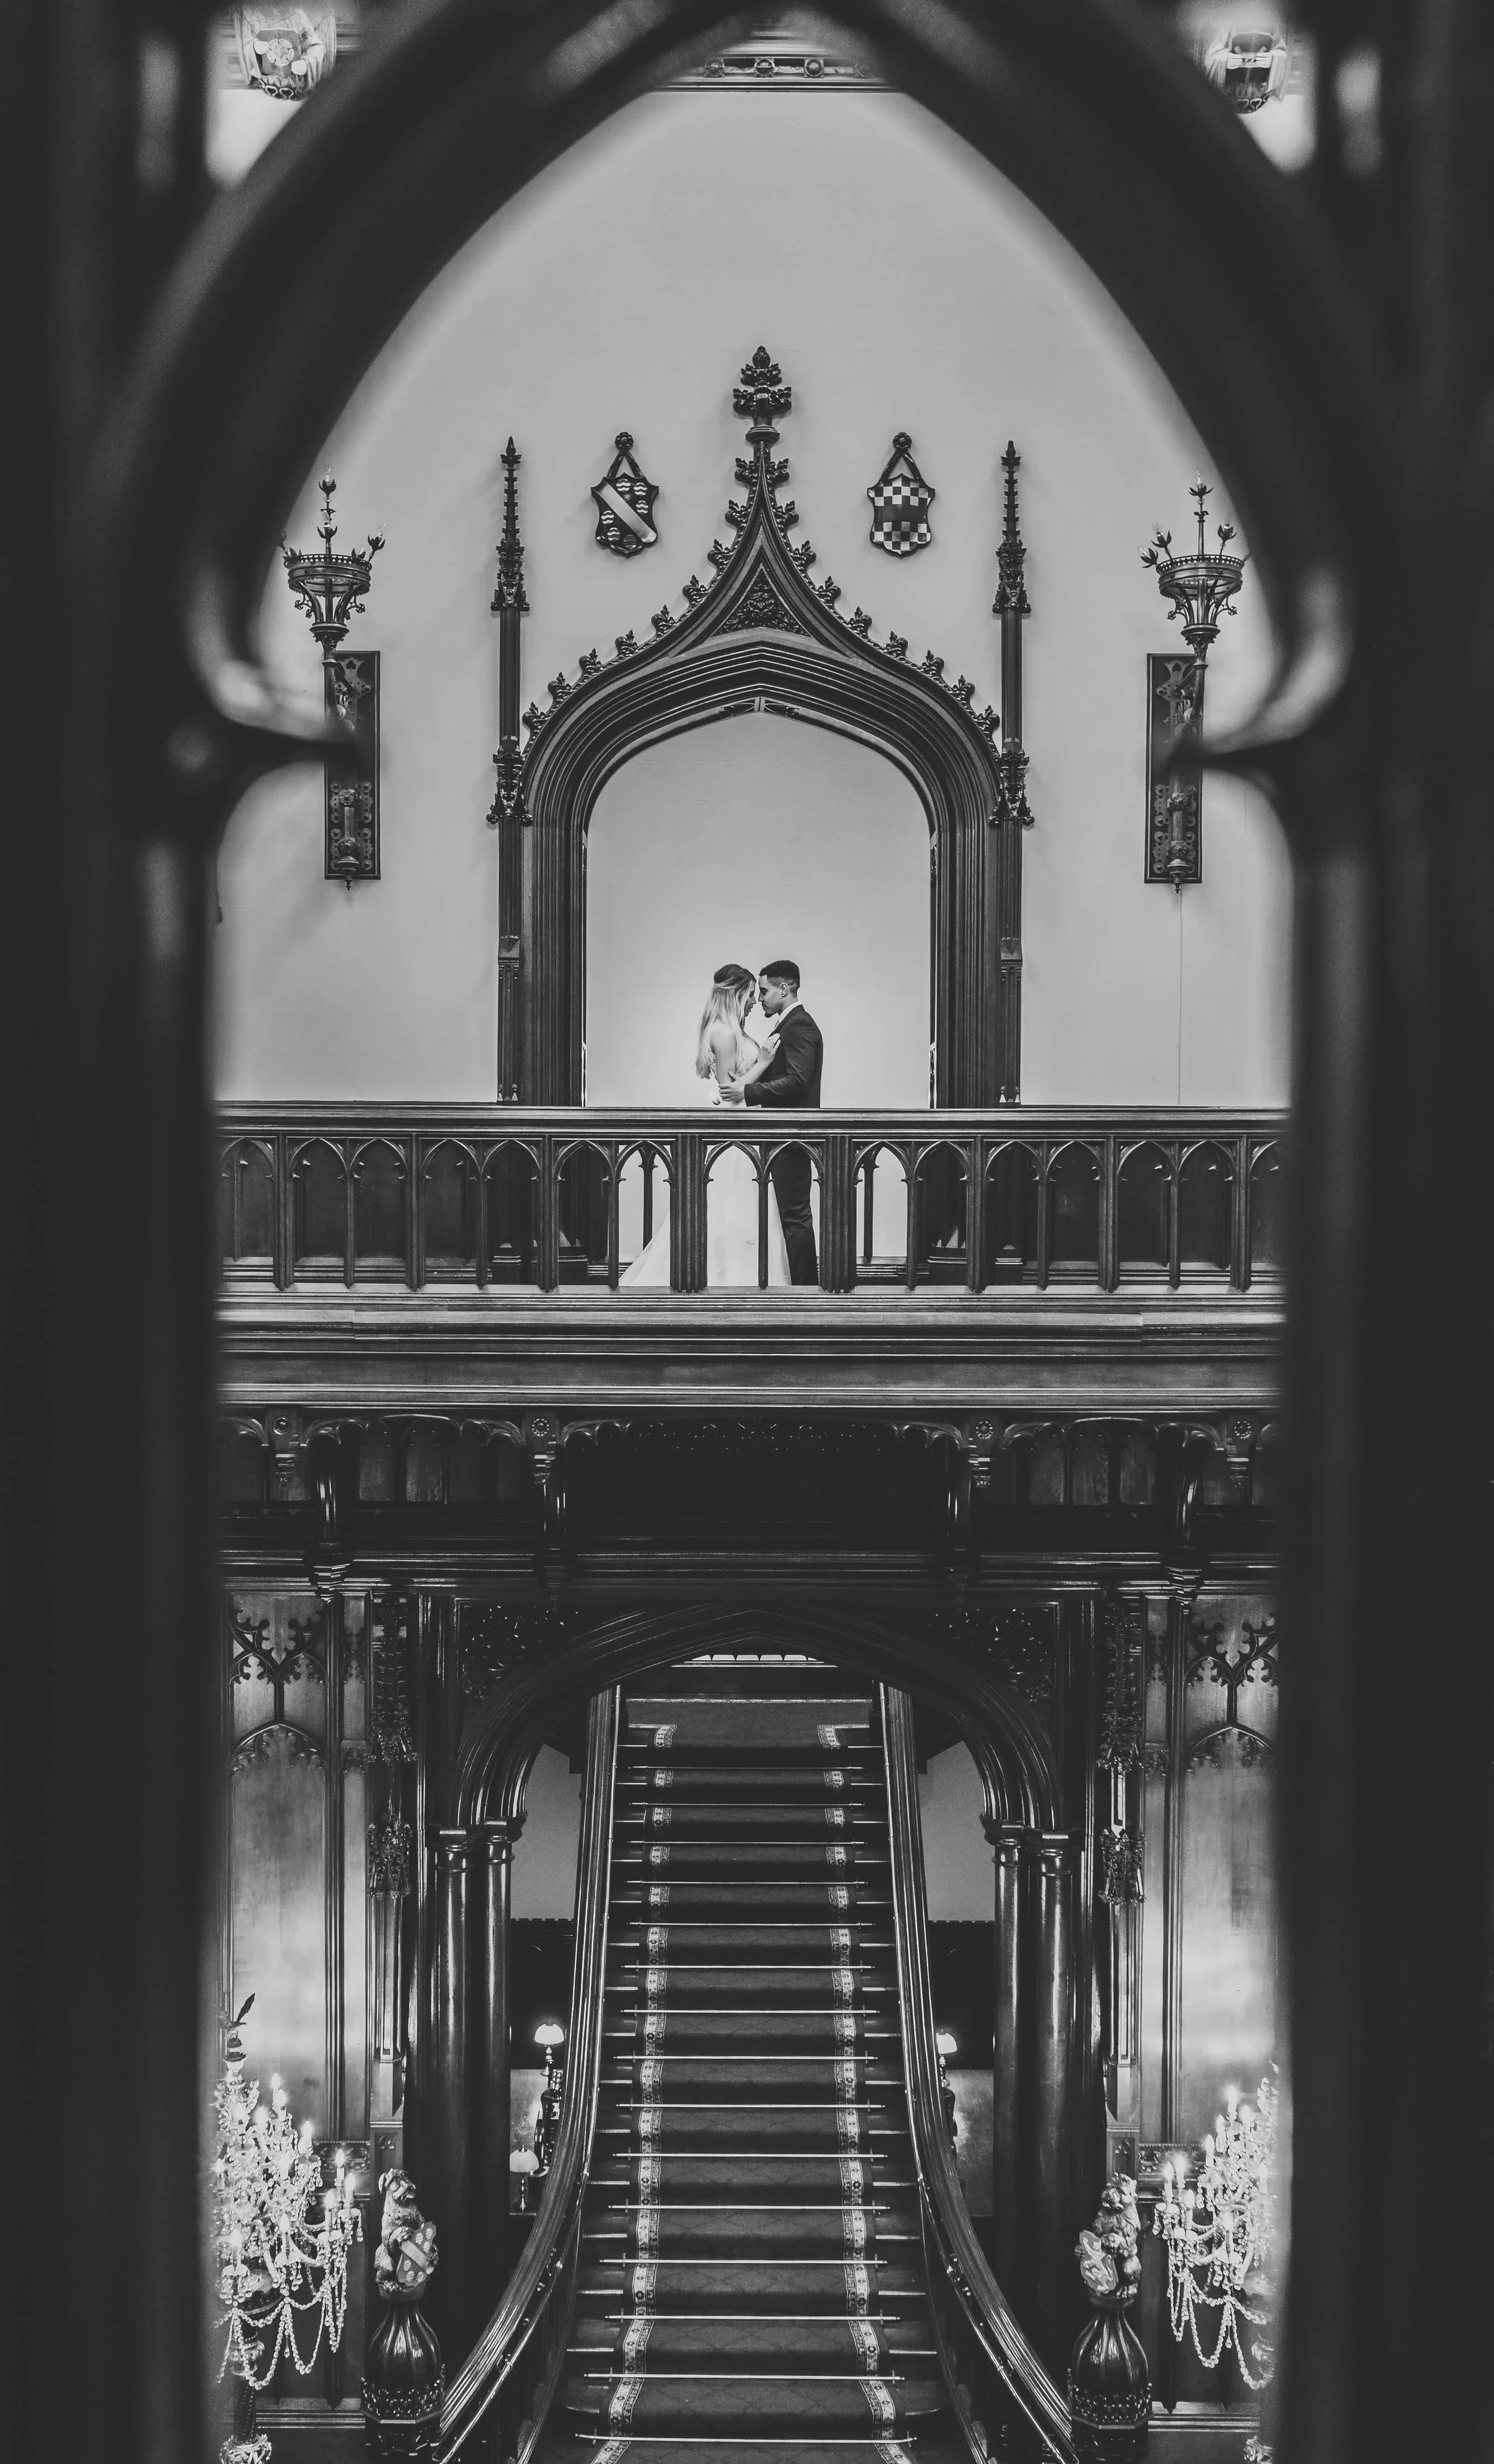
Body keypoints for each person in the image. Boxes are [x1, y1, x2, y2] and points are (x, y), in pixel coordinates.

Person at [620, 963, 791, 1288]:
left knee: (740, 1209)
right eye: (751, 995)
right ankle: (729, 1279)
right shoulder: (725, 1033)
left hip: (746, 1129)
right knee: (732, 1207)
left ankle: (740, 1276)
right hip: (734, 1132)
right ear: (737, 994)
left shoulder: (730, 1030)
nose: (755, 1002)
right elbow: (731, 1092)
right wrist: (766, 1062)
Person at [743, 959, 823, 1286]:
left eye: (764, 991)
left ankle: (805, 1291)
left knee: (795, 1216)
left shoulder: (799, 1025)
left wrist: (750, 1092)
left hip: (793, 1134)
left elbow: (797, 1081)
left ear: (784, 988)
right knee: (791, 1216)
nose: (760, 998)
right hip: (785, 1134)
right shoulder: (787, 1024)